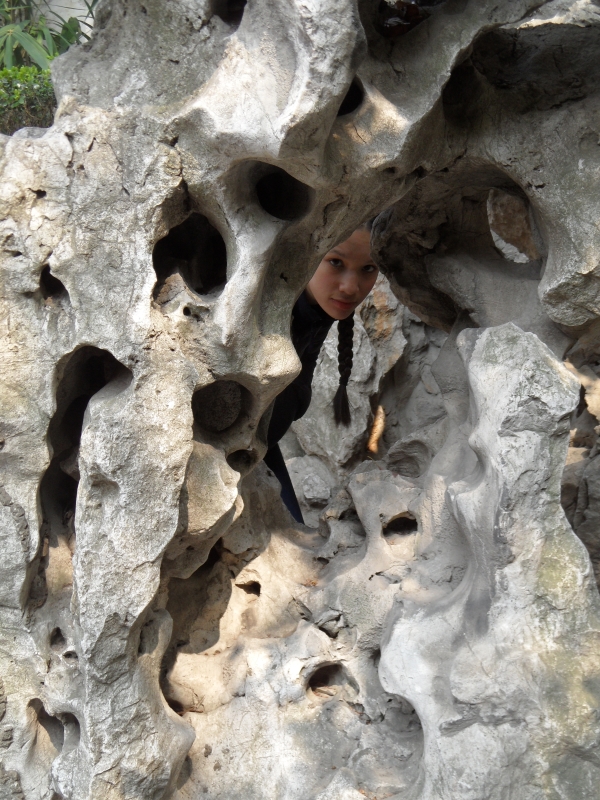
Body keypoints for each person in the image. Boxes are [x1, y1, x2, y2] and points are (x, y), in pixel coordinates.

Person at [264, 223, 379, 523]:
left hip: (259, 450)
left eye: (368, 268)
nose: (351, 287)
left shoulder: (315, 308)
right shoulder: (267, 307)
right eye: (336, 262)